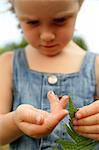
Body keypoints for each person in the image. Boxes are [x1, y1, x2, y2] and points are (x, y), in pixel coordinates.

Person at [0, 0, 99, 149]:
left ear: (79, 5)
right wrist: (15, 121)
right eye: (32, 22)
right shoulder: (9, 63)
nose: (47, 36)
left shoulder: (95, 65)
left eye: (60, 20)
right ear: (16, 13)